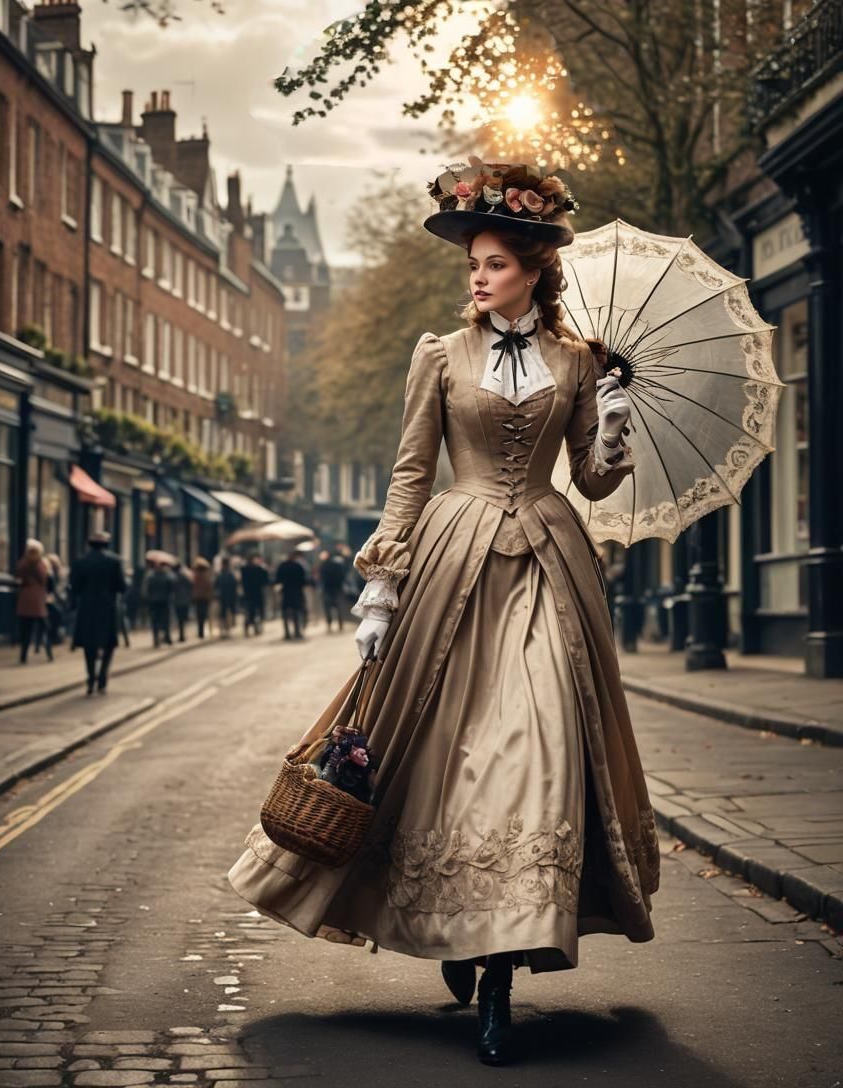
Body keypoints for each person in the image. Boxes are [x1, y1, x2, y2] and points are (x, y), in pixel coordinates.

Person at [227, 162, 659, 1066]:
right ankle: (459, 926)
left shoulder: (580, 363)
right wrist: (381, 582)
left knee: (537, 742)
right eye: (473, 261)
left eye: (495, 262)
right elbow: (411, 474)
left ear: (535, 268)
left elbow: (590, 480)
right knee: (440, 747)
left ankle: (500, 961)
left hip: (549, 564)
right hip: (451, 558)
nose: (477, 275)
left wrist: (614, 425)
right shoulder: (438, 355)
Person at [68, 530, 126, 694]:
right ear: (106, 544)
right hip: (107, 608)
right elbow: (122, 587)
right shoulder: (114, 562)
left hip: (86, 608)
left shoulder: (80, 562)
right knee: (108, 644)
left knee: (89, 645)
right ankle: (102, 678)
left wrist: (72, 605)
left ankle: (90, 678)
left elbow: (74, 587)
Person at [15, 539, 53, 663]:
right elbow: (45, 580)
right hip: (38, 600)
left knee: (26, 630)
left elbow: (18, 578)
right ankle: (49, 653)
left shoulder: (22, 563)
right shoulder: (41, 564)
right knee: (45, 627)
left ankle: (23, 656)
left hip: (25, 599)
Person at [274, 551, 307, 641]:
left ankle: (287, 633)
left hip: (286, 593)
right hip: (297, 592)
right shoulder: (298, 566)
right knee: (297, 612)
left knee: (285, 613)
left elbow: (277, 580)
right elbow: (303, 580)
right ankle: (297, 632)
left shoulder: (282, 566)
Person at [144, 560, 174, 647]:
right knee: (165, 620)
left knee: (155, 620)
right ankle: (166, 638)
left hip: (154, 601)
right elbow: (172, 587)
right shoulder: (167, 575)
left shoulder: (151, 576)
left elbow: (147, 589)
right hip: (164, 601)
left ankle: (156, 639)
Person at [318, 550, 348, 632]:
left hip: (327, 589)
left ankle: (329, 625)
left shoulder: (323, 565)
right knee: (339, 608)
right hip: (338, 589)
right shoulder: (338, 565)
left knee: (327, 608)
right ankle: (340, 625)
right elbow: (342, 576)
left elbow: (322, 578)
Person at [241, 553, 270, 636]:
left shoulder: (244, 569)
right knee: (256, 612)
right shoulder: (259, 569)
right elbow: (266, 581)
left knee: (249, 612)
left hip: (248, 594)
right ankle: (255, 628)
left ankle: (249, 628)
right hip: (257, 594)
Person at [215, 556, 238, 638]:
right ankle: (224, 629)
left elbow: (234, 585)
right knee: (223, 613)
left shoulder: (228, 574)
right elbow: (216, 585)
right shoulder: (222, 574)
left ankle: (228, 629)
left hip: (228, 596)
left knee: (229, 612)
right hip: (224, 596)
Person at [192, 557, 213, 638]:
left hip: (198, 597)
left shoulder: (195, 576)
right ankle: (201, 631)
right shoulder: (206, 576)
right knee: (203, 615)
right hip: (204, 597)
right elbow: (209, 587)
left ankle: (200, 631)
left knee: (199, 615)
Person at [172, 560, 193, 643]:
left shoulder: (173, 577)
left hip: (177, 600)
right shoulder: (184, 576)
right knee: (183, 619)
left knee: (179, 619)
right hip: (185, 600)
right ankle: (182, 635)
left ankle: (181, 635)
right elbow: (190, 585)